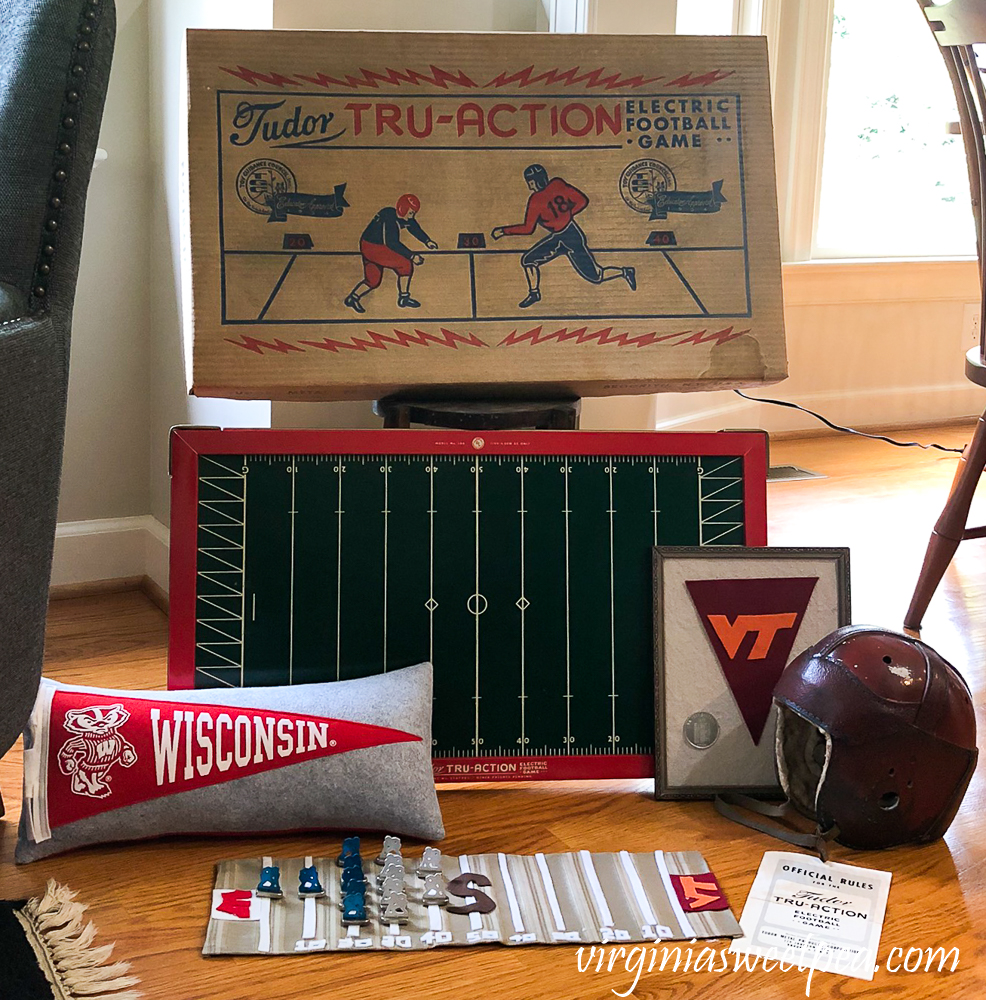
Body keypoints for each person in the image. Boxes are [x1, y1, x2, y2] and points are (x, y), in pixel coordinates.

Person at [491, 164, 636, 308]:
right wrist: (567, 215)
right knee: (528, 260)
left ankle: (625, 271)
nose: (529, 186)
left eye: (530, 182)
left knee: (597, 276)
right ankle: (534, 293)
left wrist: (504, 231)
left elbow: (528, 229)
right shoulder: (557, 183)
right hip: (568, 234)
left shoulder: (536, 199)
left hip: (569, 238)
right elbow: (582, 201)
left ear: (534, 181)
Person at [344, 194, 438, 311]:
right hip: (374, 248)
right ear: (402, 208)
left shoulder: (401, 217)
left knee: (373, 280)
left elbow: (413, 227)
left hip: (368, 246)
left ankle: (352, 298)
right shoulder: (389, 217)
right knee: (405, 264)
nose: (412, 216)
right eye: (411, 213)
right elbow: (392, 243)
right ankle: (404, 298)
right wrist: (412, 256)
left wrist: (427, 241)